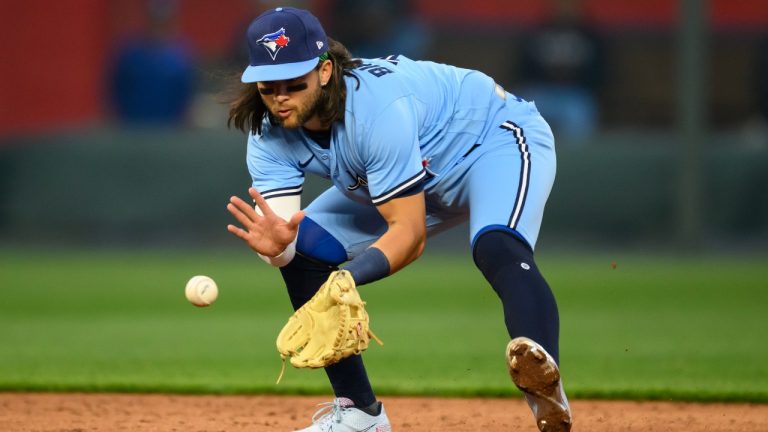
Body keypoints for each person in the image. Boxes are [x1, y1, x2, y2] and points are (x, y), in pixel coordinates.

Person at [225, 7, 572, 432]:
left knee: (496, 246)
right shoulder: (267, 132)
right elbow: (283, 238)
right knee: (305, 254)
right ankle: (360, 414)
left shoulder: (374, 110)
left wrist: (348, 278)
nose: (281, 96)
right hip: (401, 175)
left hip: (490, 141)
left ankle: (544, 385)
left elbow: (408, 235)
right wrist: (280, 251)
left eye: (294, 81)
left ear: (326, 70)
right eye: (268, 85)